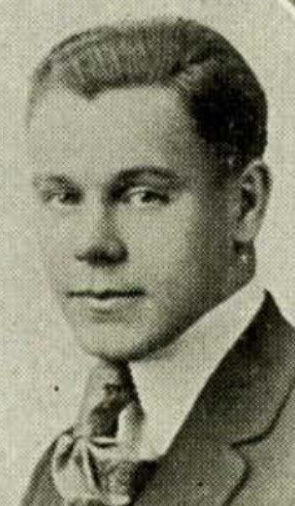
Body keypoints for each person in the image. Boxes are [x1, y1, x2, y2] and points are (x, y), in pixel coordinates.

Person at [21, 17, 295, 506]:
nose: (93, 244)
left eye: (143, 196)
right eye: (63, 196)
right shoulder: (69, 467)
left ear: (246, 205)